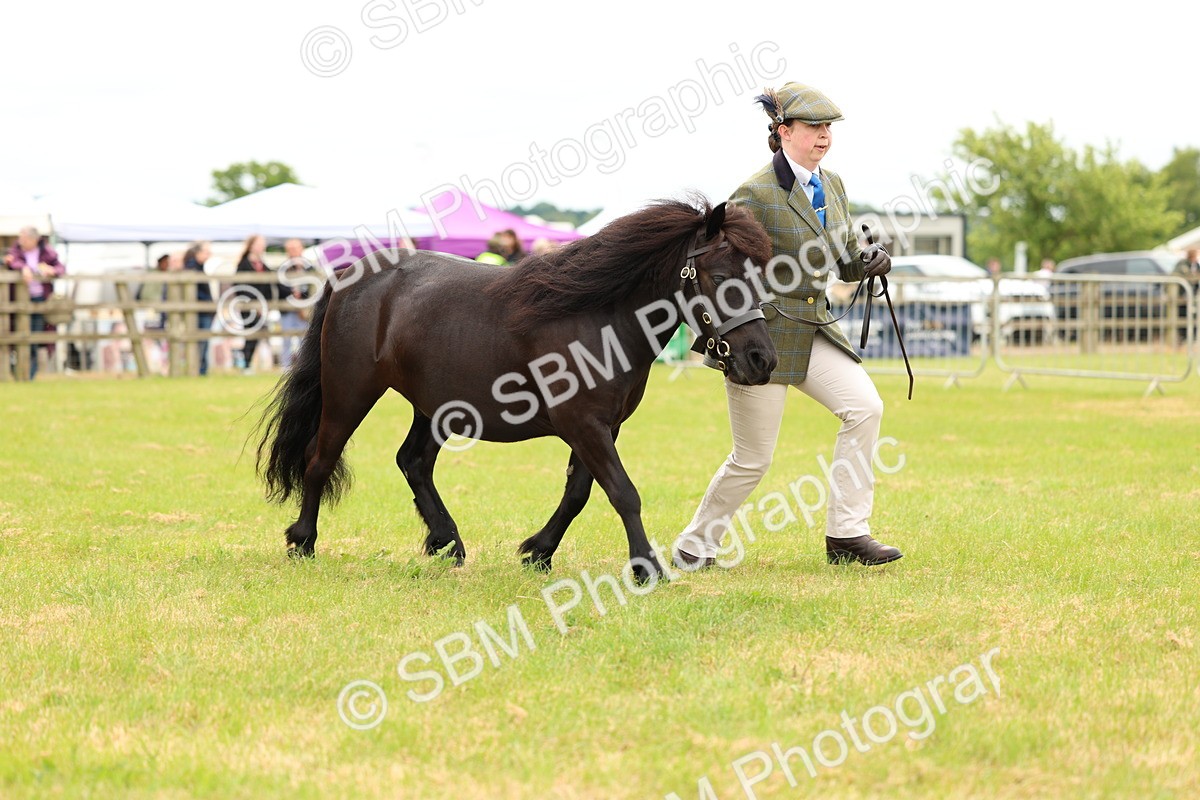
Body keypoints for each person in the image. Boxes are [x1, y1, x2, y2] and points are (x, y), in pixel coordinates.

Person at [671, 81, 898, 570]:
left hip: (814, 328)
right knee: (752, 460)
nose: (823, 136)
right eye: (814, 127)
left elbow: (844, 261)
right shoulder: (753, 193)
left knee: (865, 408)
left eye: (828, 128)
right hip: (761, 337)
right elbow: (725, 268)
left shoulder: (832, 185)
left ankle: (848, 534)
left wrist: (869, 261)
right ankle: (695, 545)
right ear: (783, 131)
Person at [5, 226, 66, 379]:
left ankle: (28, 374)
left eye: (24, 238)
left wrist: (51, 270)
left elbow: (61, 268)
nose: (21, 241)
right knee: (13, 336)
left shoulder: (47, 252)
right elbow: (12, 262)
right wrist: (23, 267)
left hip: (40, 299)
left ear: (34, 240)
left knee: (35, 337)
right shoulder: (16, 251)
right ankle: (17, 371)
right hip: (17, 300)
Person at [233, 234, 288, 374]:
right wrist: (254, 304)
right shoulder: (244, 264)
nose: (262, 247)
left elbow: (272, 282)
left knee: (258, 335)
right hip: (248, 306)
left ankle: (248, 364)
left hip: (263, 306)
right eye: (259, 244)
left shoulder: (263, 264)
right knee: (250, 334)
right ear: (252, 246)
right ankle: (246, 364)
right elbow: (240, 286)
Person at [278, 238, 315, 368]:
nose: (293, 251)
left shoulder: (309, 267)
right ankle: (285, 366)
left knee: (303, 339)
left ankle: (302, 365)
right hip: (287, 309)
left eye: (295, 248)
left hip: (304, 310)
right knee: (286, 339)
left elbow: (314, 287)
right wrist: (293, 295)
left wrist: (303, 301)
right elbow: (280, 287)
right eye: (291, 249)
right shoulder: (284, 268)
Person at [182, 241, 214, 376]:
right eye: (206, 252)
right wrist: (207, 302)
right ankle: (200, 370)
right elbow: (196, 291)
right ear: (198, 253)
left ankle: (201, 369)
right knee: (201, 341)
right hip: (200, 310)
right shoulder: (193, 268)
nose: (209, 255)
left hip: (202, 309)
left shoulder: (198, 267)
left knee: (202, 341)